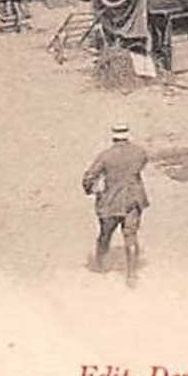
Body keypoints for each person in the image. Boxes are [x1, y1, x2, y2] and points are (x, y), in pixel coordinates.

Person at [81, 123, 150, 287]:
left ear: (113, 137)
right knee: (131, 236)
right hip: (133, 199)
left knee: (105, 234)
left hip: (110, 201)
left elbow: (90, 176)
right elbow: (141, 165)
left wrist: (89, 189)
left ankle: (100, 266)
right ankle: (131, 275)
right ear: (128, 135)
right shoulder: (140, 153)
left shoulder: (106, 156)